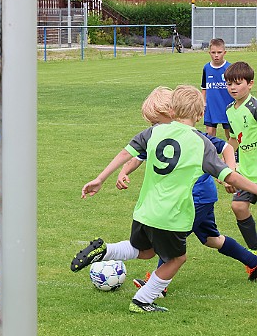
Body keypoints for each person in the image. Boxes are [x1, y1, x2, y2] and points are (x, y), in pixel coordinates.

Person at [70, 85, 257, 313]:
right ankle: (143, 300)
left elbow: (126, 153)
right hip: (172, 216)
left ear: (173, 110)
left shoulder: (153, 133)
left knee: (147, 251)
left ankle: (105, 251)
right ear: (199, 115)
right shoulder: (200, 143)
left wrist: (100, 179)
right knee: (177, 259)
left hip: (145, 210)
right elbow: (230, 176)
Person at [115, 87, 257, 294]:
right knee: (211, 239)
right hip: (202, 198)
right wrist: (123, 171)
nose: (154, 127)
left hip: (195, 198)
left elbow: (226, 147)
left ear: (172, 113)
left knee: (170, 236)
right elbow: (139, 155)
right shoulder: (163, 136)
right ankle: (253, 261)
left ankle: (156, 285)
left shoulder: (195, 136)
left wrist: (228, 171)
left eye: (157, 121)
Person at [224, 61, 257, 266]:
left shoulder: (254, 107)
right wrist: (227, 168)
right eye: (229, 84)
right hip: (246, 172)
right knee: (238, 206)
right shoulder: (230, 110)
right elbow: (234, 139)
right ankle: (254, 253)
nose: (233, 88)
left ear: (250, 84)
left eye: (237, 83)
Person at [201, 38, 234, 140]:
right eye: (213, 52)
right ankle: (212, 155)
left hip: (228, 105)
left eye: (219, 52)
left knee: (230, 134)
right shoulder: (206, 68)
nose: (216, 55)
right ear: (209, 53)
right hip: (211, 106)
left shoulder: (230, 68)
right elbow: (204, 87)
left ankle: (232, 155)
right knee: (210, 133)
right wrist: (203, 103)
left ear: (224, 52)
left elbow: (235, 87)